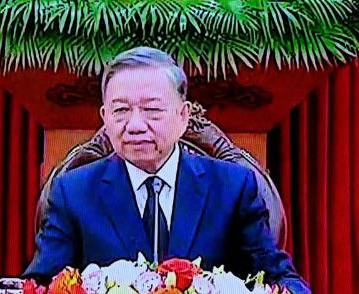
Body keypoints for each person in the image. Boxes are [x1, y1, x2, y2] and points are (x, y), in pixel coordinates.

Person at [23, 47, 311, 293]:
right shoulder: (73, 192)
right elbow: (40, 285)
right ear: (105, 117)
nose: (135, 125)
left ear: (183, 116)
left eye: (152, 110)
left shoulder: (232, 187)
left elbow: (281, 279)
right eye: (121, 110)